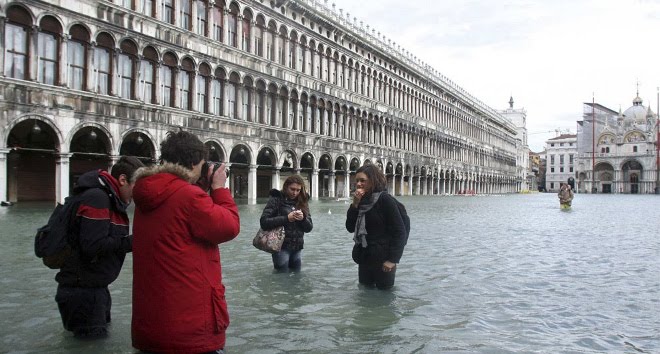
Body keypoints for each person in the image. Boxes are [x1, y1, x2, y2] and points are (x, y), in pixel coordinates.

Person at [131, 131, 240, 354]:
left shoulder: (150, 193)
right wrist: (219, 189)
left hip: (152, 328)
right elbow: (229, 226)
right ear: (193, 163)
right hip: (189, 332)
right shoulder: (188, 197)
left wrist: (199, 188)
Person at [55, 156, 145, 338]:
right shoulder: (98, 198)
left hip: (93, 289)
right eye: (138, 185)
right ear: (122, 180)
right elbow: (93, 245)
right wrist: (137, 241)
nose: (139, 192)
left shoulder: (106, 197)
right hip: (82, 294)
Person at [345, 164, 407, 290]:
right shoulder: (361, 201)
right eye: (357, 180)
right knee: (364, 293)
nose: (358, 184)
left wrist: (392, 260)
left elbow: (400, 231)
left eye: (363, 180)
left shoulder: (385, 200)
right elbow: (350, 227)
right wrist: (355, 205)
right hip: (365, 256)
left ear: (373, 181)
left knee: (384, 297)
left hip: (384, 259)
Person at [260, 175, 313, 271]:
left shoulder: (302, 202)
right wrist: (286, 218)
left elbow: (309, 228)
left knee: (296, 278)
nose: (295, 193)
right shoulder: (276, 199)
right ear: (286, 187)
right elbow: (264, 222)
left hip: (297, 248)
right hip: (281, 247)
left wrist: (303, 218)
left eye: (298, 190)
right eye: (292, 189)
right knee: (282, 279)